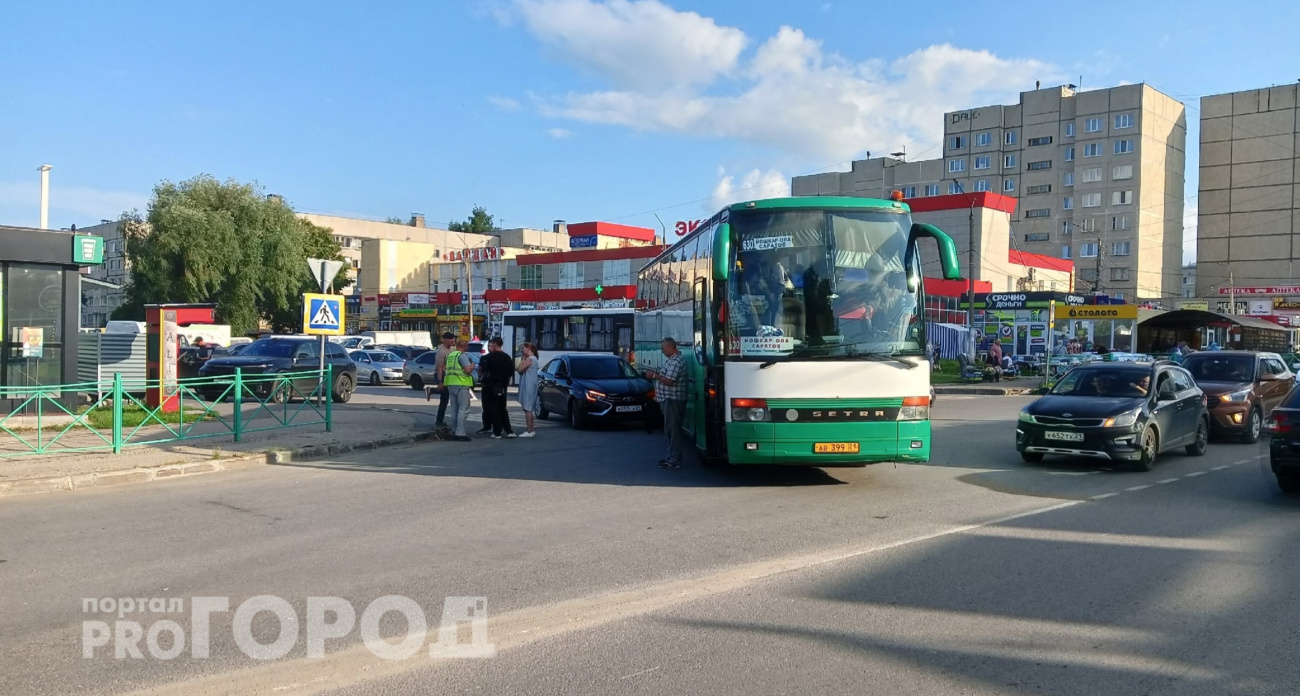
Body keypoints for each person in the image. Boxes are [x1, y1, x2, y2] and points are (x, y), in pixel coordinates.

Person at [644, 337, 687, 470]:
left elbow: (670, 381)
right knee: (669, 431)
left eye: (663, 349)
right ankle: (671, 457)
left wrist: (654, 376)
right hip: (668, 400)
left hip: (672, 400)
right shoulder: (672, 360)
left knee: (673, 431)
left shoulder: (676, 362)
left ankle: (674, 460)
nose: (662, 351)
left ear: (670, 347)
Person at [480, 337, 517, 439]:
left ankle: (497, 432)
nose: (491, 346)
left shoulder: (490, 357)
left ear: (495, 344)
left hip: (490, 386)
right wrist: (505, 385)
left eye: (492, 344)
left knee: (494, 409)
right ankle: (509, 431)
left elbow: (485, 372)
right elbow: (510, 374)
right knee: (502, 408)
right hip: (502, 386)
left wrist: (483, 382)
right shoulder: (507, 357)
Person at [443, 339, 475, 442]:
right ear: (466, 347)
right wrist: (472, 366)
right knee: (462, 410)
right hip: (461, 384)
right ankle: (460, 433)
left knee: (454, 410)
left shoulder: (450, 355)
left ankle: (453, 431)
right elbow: (467, 370)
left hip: (450, 384)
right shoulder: (462, 356)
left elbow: (444, 368)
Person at [515, 342, 540, 438]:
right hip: (530, 385)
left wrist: (522, 359)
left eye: (523, 348)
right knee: (528, 408)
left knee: (527, 409)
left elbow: (520, 370)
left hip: (528, 386)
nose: (522, 350)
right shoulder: (534, 359)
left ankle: (530, 430)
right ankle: (531, 429)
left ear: (528, 349)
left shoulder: (530, 359)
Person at [431, 332, 456, 426]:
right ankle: (439, 421)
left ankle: (431, 390)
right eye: (450, 339)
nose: (452, 341)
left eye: (453, 339)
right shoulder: (441, 352)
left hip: (450, 375)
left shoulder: (453, 349)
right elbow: (439, 368)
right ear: (444, 340)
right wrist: (440, 381)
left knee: (447, 395)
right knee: (444, 398)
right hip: (441, 374)